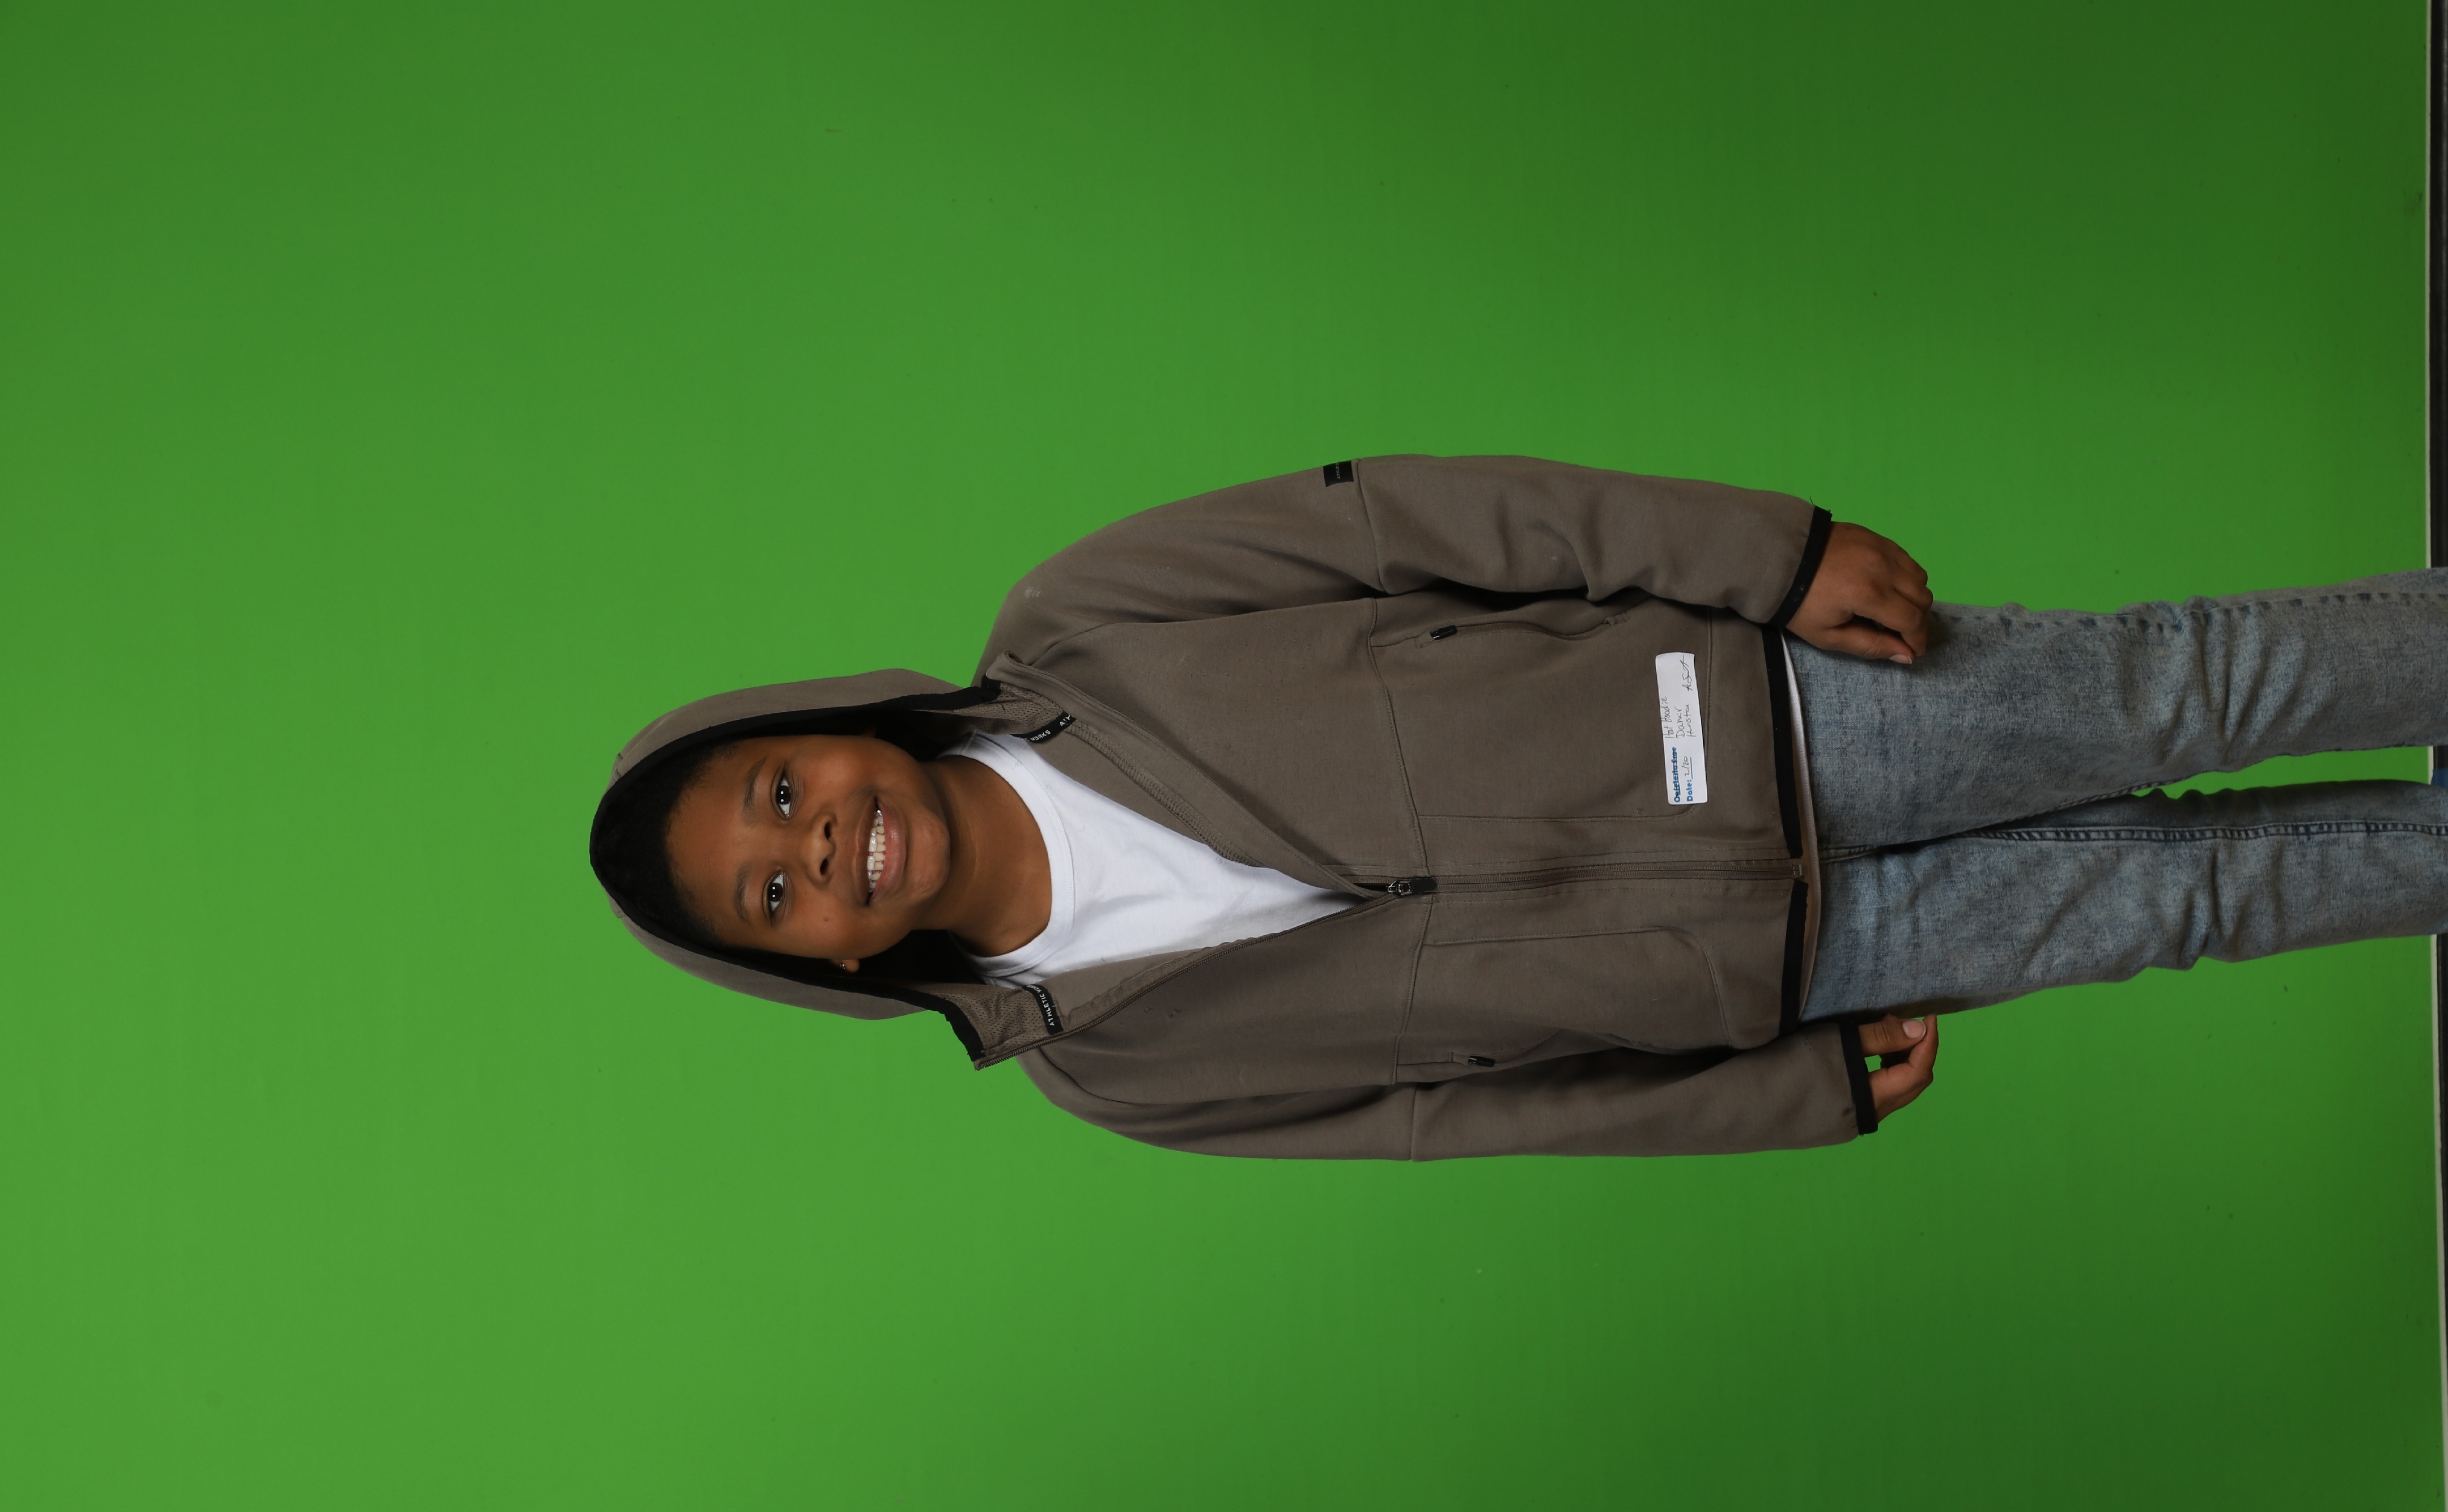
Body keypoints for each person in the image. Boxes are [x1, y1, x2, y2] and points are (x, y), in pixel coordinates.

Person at [588, 456, 2448, 1158]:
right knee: (2200, 897)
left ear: (822, 727)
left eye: (778, 792)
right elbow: (1458, 1122)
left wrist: (1768, 555)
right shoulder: (1113, 1074)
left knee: (2187, 692)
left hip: (1781, 708)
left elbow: (1418, 522)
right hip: (1782, 968)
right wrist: (1779, 1096)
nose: (812, 845)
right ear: (827, 965)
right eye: (774, 893)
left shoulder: (1083, 620)